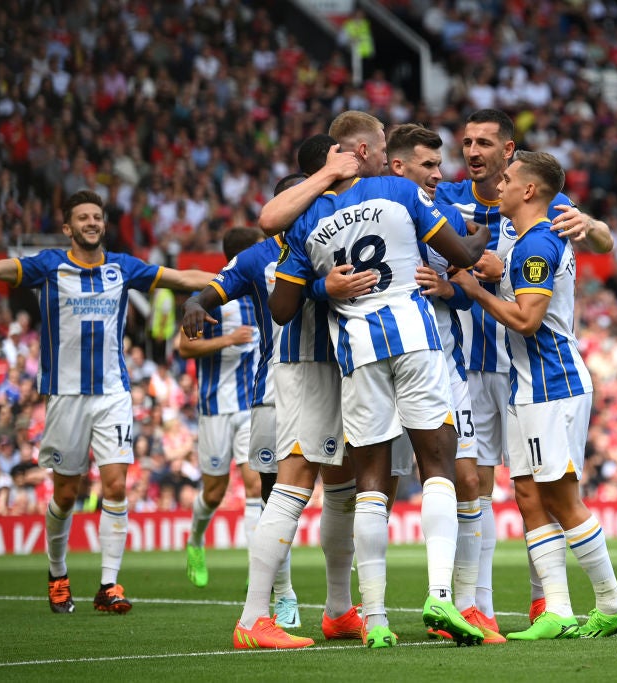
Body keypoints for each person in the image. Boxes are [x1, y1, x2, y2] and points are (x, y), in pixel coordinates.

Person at [0, 190, 216, 614]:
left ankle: (109, 586)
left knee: (116, 486)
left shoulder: (123, 268)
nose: (91, 223)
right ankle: (57, 572)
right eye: (83, 218)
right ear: (68, 228)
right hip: (66, 396)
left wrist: (237, 281)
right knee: (66, 494)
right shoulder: (48, 266)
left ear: (103, 224)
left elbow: (181, 278)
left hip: (113, 394)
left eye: (97, 217)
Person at [270, 122, 491, 648]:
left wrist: (324, 287)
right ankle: (439, 595)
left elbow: (281, 309)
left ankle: (374, 619)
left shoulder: (305, 221)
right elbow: (461, 255)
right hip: (414, 340)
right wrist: (481, 234)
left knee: (370, 483)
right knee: (436, 467)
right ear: (362, 152)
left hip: (358, 354)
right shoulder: (397, 190)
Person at [182, 168, 376, 649]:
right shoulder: (259, 256)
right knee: (278, 492)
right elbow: (214, 288)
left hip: (337, 377)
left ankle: (336, 609)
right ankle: (260, 612)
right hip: (281, 384)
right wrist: (195, 300)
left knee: (341, 489)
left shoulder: (338, 235)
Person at [436, 108, 613, 627]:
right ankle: (478, 606)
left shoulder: (546, 204)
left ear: (508, 153)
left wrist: (594, 224)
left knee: (546, 489)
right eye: (466, 142)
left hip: (527, 366)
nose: (472, 152)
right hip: (471, 364)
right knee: (479, 485)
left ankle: (551, 601)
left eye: (485, 143)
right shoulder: (448, 199)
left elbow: (602, 243)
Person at [387, 123, 503, 644]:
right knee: (363, 487)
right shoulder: (380, 212)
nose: (440, 173)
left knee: (470, 480)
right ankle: (353, 609)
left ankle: (469, 605)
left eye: (440, 166)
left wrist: (452, 286)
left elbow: (468, 273)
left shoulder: (445, 213)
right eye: (429, 166)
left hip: (447, 364)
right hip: (383, 360)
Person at [175, 227, 262, 589]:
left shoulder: (262, 294)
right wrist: (228, 338)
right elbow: (184, 347)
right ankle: (195, 541)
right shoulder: (209, 297)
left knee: (255, 485)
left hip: (251, 406)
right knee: (214, 491)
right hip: (214, 408)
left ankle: (260, 572)